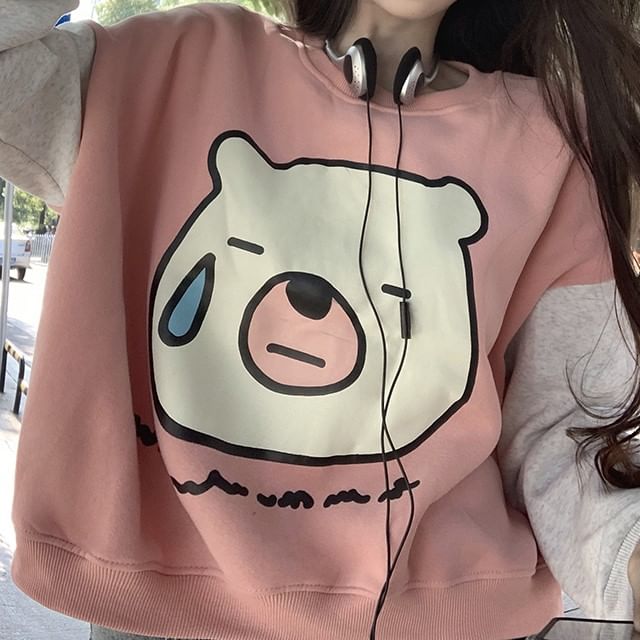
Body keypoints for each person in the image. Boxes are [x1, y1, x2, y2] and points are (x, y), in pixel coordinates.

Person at [2, 1, 640, 639]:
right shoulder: (158, 68)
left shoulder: (552, 148)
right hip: (159, 611)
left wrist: (630, 561)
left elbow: (565, 441)